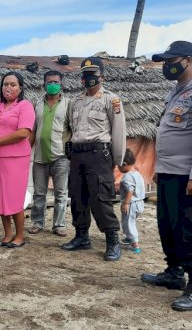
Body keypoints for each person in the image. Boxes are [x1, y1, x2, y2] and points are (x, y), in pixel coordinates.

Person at [142, 41, 192, 311]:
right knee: (168, 224)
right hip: (168, 172)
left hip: (189, 175)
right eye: (165, 61)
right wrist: (157, 168)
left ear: (188, 60)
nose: (167, 66)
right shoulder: (175, 93)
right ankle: (173, 272)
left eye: (170, 60)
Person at [61, 57, 126, 262]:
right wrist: (68, 146)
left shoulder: (111, 100)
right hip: (78, 153)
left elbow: (119, 131)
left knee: (101, 197)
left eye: (93, 75)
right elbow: (68, 128)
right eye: (85, 75)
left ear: (102, 76)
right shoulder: (75, 101)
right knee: (78, 196)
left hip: (99, 154)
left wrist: (118, 158)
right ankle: (82, 236)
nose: (88, 79)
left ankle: (112, 240)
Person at [0, 72, 36, 248]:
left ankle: (20, 235)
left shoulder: (25, 106)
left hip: (16, 158)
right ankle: (7, 234)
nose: (9, 88)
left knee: (14, 197)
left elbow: (23, 132)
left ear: (20, 88)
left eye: (13, 85)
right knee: (1, 197)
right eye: (6, 84)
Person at [28, 70, 71, 237]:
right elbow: (33, 130)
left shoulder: (68, 104)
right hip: (39, 157)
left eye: (56, 82)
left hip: (60, 156)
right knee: (39, 193)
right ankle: (37, 222)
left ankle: (59, 225)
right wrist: (26, 151)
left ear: (61, 85)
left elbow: (73, 129)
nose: (52, 85)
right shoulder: (37, 105)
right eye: (49, 82)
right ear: (44, 85)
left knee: (61, 193)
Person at [118, 149, 144, 253]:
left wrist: (125, 203)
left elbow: (130, 190)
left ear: (124, 164)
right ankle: (129, 238)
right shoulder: (137, 173)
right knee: (130, 222)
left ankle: (135, 245)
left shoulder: (127, 177)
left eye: (118, 166)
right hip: (140, 203)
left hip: (131, 204)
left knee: (129, 223)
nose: (118, 168)